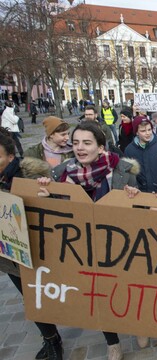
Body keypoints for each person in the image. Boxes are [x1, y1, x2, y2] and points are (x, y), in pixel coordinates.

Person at [38, 121, 141, 360]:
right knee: (100, 293)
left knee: (130, 289)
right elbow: (56, 217)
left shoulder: (123, 169)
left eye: (87, 143)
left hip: (120, 246)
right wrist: (45, 197)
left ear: (101, 147)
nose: (80, 148)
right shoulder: (60, 173)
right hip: (84, 249)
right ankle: (112, 341)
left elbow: (139, 209)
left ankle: (138, 326)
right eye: (75, 143)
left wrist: (134, 198)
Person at [0, 130, 63, 360]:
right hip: (9, 253)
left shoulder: (31, 176)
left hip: (38, 247)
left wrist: (47, 193)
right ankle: (51, 339)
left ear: (10, 157)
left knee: (40, 293)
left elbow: (57, 208)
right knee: (29, 297)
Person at [124, 116, 157, 194]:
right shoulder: (129, 150)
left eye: (149, 129)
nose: (148, 133)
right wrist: (135, 188)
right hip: (139, 195)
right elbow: (127, 174)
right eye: (143, 131)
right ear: (136, 132)